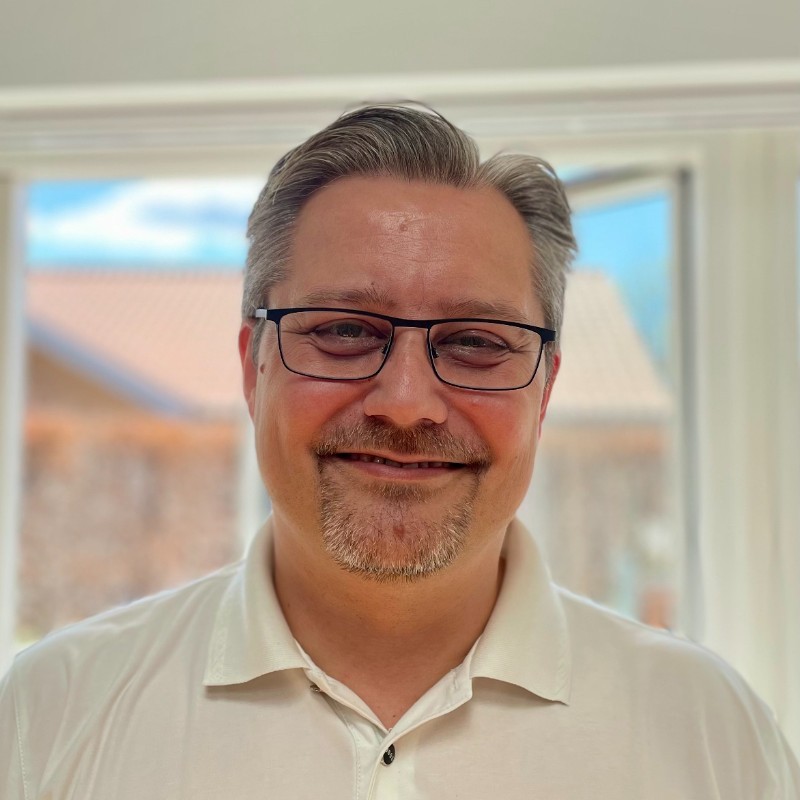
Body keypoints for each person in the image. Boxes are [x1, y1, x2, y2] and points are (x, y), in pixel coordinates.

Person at [1, 104, 798, 799]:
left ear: (545, 389)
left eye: (477, 341)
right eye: (344, 331)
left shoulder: (708, 734)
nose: (408, 403)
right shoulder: (51, 717)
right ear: (253, 367)